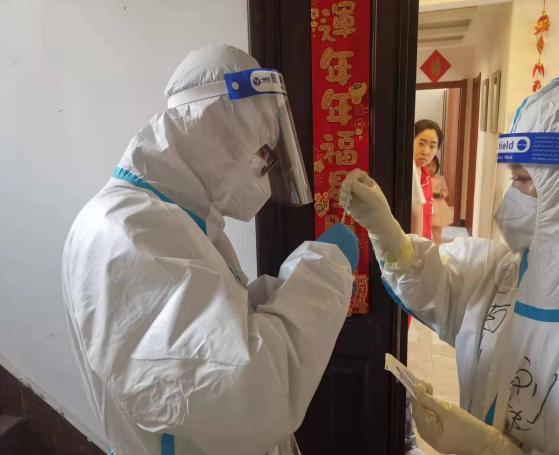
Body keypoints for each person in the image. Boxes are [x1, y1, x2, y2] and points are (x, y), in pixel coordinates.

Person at [62, 45, 358, 455]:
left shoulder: (174, 217)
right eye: (262, 152)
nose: (264, 169)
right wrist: (324, 271)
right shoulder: (126, 231)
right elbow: (247, 390)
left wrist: (281, 289)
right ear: (213, 126)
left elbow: (215, 329)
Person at [340, 78, 559, 454]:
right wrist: (386, 230)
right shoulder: (504, 272)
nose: (510, 199)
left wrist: (491, 449)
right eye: (514, 178)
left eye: (525, 180)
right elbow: (438, 284)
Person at [411, 120, 444, 240]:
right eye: (421, 144)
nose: (426, 152)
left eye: (432, 146)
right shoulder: (409, 171)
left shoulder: (425, 174)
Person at [427, 156, 453, 245]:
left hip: (438, 206)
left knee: (436, 229)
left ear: (437, 167)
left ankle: (437, 246)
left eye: (433, 166)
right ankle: (427, 246)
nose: (431, 168)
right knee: (425, 228)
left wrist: (441, 195)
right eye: (428, 165)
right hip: (427, 204)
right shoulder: (423, 178)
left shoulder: (441, 178)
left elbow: (445, 191)